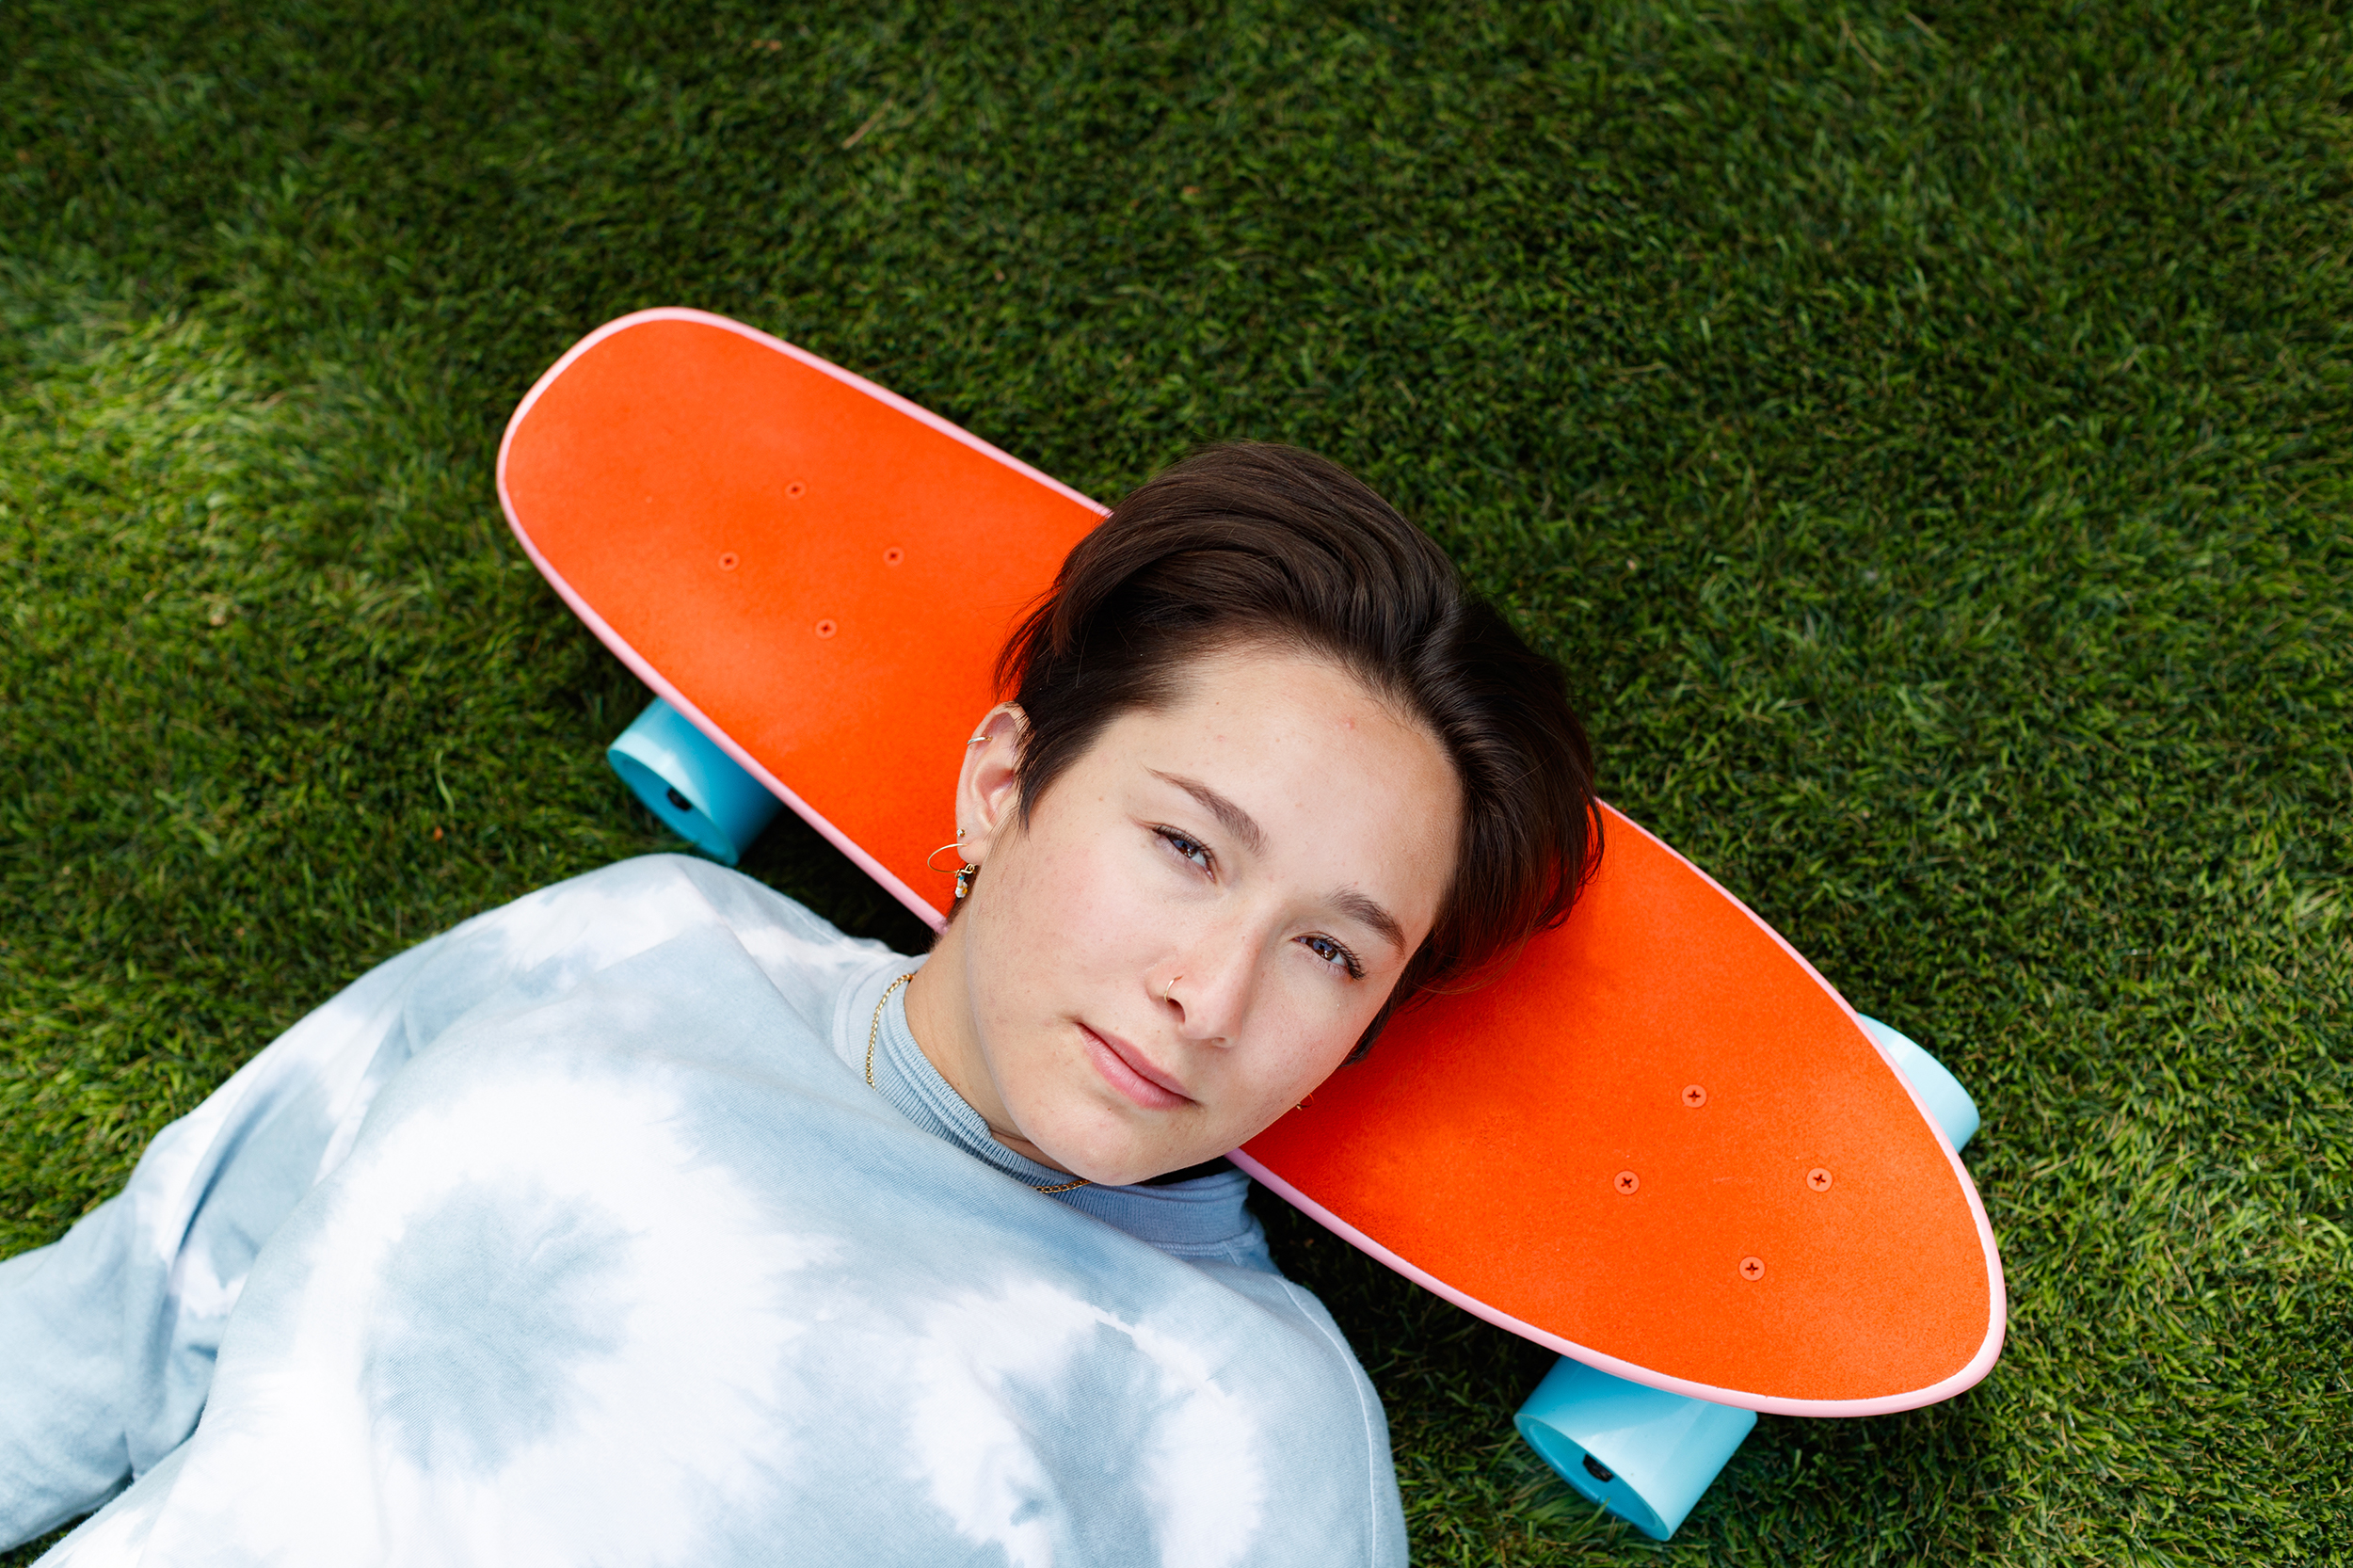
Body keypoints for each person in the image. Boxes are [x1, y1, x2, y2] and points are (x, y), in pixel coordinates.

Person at [0, 443, 1598, 1566]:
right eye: (1186, 845)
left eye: (1332, 952)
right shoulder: (636, 947)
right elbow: (125, 1314)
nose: (1211, 992)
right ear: (1006, 784)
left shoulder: (1251, 1410)